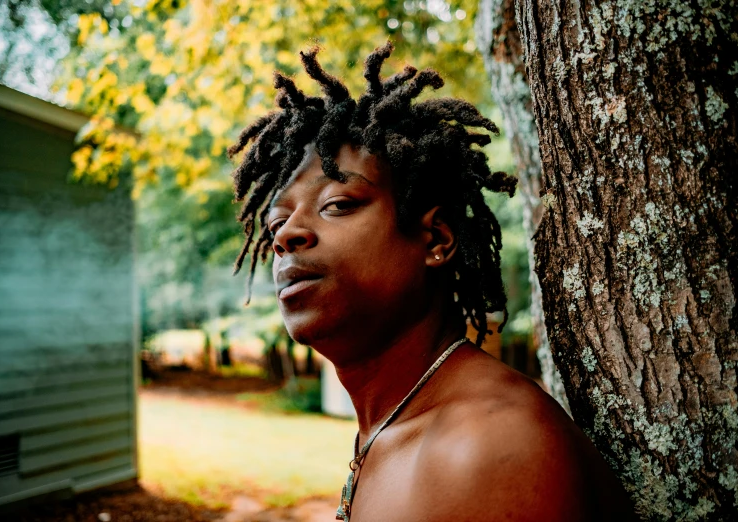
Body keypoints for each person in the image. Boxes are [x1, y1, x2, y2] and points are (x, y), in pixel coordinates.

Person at [228, 42, 637, 522]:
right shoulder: (392, 426)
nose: (288, 235)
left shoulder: (488, 446)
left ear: (436, 240)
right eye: (276, 225)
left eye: (337, 204)